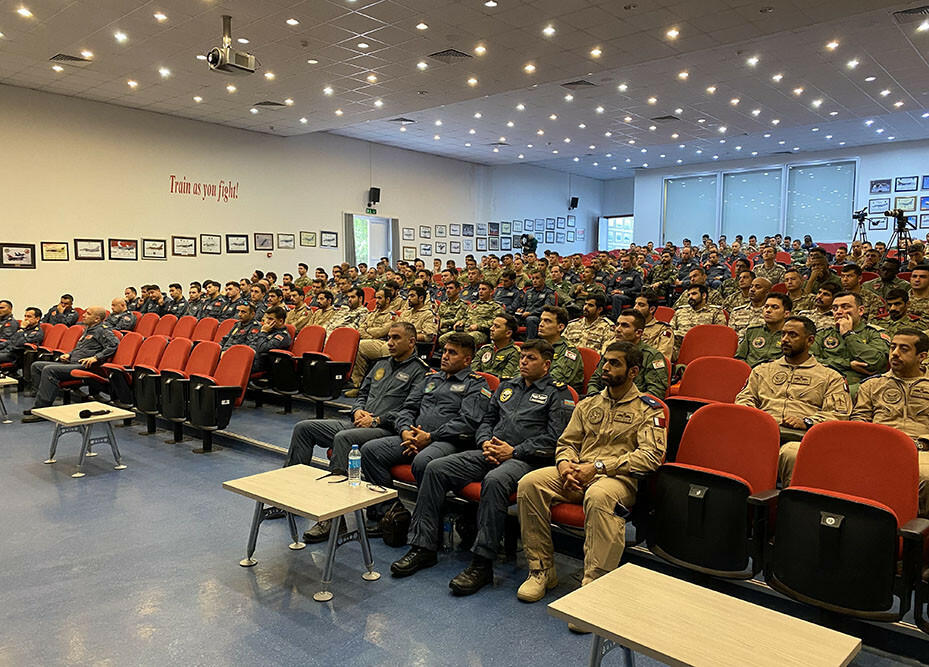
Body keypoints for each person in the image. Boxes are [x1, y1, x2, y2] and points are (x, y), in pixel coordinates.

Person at [389, 339, 573, 595]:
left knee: (495, 481)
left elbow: (555, 438)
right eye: (522, 356)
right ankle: (423, 547)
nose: (523, 361)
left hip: (526, 459)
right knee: (436, 468)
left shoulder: (558, 393)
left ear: (547, 364)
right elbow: (486, 420)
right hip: (490, 451)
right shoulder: (507, 386)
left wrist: (514, 451)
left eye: (531, 358)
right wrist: (485, 441)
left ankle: (482, 563)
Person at [516, 341, 666, 608]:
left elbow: (650, 457)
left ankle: (594, 586)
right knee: (530, 483)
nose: (605, 367)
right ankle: (541, 570)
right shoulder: (588, 403)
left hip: (617, 480)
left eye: (614, 363)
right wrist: (565, 465)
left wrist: (597, 468)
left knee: (599, 495)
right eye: (605, 361)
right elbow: (567, 442)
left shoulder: (648, 409)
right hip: (577, 473)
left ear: (633, 371)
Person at [288, 322, 429, 542]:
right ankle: (291, 498)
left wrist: (377, 420)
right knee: (304, 428)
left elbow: (411, 409)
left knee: (344, 438)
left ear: (411, 342)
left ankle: (333, 518)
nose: (390, 342)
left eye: (396, 338)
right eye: (389, 337)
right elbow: (362, 393)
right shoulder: (380, 364)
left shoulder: (421, 372)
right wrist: (357, 410)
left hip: (385, 430)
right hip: (359, 423)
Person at [360, 334, 490, 520]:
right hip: (414, 438)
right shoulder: (431, 379)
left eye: (452, 353)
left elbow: (468, 422)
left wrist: (430, 436)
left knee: (423, 461)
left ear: (467, 360)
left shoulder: (475, 384)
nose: (445, 356)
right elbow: (408, 408)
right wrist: (405, 431)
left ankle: (428, 523)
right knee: (370, 451)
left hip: (449, 442)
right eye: (444, 351)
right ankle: (391, 514)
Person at [735, 316, 851, 485]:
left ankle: (788, 500)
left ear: (810, 341)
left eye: (793, 335)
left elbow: (838, 414)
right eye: (783, 334)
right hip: (763, 432)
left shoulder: (830, 377)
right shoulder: (763, 370)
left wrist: (807, 422)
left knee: (791, 453)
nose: (785, 339)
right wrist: (756, 418)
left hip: (799, 438)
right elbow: (744, 398)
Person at [851, 329, 929, 517]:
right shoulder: (872, 385)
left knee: (925, 475)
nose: (894, 353)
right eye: (893, 347)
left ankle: (914, 528)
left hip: (921, 450)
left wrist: (922, 443)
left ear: (922, 356)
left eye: (904, 349)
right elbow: (859, 419)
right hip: (878, 446)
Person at [22, 307, 120, 421]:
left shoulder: (102, 331)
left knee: (49, 370)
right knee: (36, 366)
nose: (84, 315)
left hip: (85, 366)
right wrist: (69, 354)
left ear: (97, 319)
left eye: (88, 314)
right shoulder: (88, 329)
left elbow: (114, 345)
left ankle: (42, 409)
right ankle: (40, 402)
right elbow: (80, 349)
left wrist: (96, 357)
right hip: (72, 362)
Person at [811, 291, 890, 395]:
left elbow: (876, 363)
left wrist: (848, 334)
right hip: (824, 381)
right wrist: (848, 364)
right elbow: (810, 361)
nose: (839, 312)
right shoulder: (823, 334)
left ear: (860, 310)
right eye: (835, 308)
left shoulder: (874, 333)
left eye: (845, 307)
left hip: (862, 386)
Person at [587, 311, 668, 398]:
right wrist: (596, 398)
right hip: (604, 400)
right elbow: (594, 382)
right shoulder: (611, 351)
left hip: (635, 404)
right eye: (617, 324)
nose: (618, 329)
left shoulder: (652, 356)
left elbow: (656, 392)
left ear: (638, 333)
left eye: (625, 326)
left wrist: (627, 402)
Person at [348, 288, 399, 391]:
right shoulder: (372, 313)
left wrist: (367, 331)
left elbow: (382, 331)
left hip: (383, 342)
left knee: (361, 345)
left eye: (380, 298)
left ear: (387, 300)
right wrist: (369, 335)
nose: (376, 300)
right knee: (358, 345)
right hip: (370, 340)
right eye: (376, 298)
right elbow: (360, 329)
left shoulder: (391, 316)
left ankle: (381, 387)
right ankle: (357, 385)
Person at [735, 293, 792, 367]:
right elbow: (739, 358)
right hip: (750, 371)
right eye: (766, 306)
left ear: (786, 314)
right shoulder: (752, 331)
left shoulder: (791, 336)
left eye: (774, 307)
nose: (768, 310)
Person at [441, 281, 503, 347]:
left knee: (465, 340)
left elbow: (495, 322)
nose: (480, 291)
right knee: (443, 339)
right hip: (465, 330)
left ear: (491, 292)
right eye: (479, 289)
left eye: (483, 289)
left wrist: (478, 326)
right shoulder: (473, 305)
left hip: (481, 332)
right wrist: (461, 322)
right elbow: (466, 316)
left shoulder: (496, 306)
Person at [537, 306, 585, 392]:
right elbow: (520, 371)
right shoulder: (537, 346)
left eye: (547, 321)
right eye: (541, 320)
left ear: (560, 327)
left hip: (560, 394)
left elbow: (557, 379)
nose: (541, 324)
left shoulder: (569, 351)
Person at [669, 284, 726, 349]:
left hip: (704, 347)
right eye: (688, 295)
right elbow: (670, 330)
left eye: (694, 294)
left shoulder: (716, 312)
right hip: (679, 347)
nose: (690, 297)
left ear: (704, 295)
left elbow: (720, 334)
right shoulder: (680, 311)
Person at [471, 314, 521, 379]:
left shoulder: (514, 352)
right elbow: (472, 371)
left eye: (496, 326)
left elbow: (506, 378)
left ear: (508, 333)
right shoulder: (485, 349)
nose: (491, 328)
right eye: (492, 325)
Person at [632, 292, 674, 359]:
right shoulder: (628, 326)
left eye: (641, 305)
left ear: (652, 309)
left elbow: (662, 357)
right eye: (635, 304)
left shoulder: (663, 329)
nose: (635, 308)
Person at [251, 306, 292, 372]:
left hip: (263, 365)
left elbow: (262, 349)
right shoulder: (269, 330)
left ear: (280, 321)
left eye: (270, 319)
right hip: (251, 359)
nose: (267, 321)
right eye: (267, 318)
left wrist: (264, 332)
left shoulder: (282, 336)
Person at [519, 271, 556, 340]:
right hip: (524, 316)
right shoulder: (528, 292)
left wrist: (530, 313)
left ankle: (530, 343)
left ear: (543, 279)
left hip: (539, 317)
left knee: (531, 320)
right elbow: (523, 305)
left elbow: (547, 307)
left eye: (537, 278)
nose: (534, 281)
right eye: (533, 279)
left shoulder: (549, 293)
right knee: (509, 320)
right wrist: (521, 309)